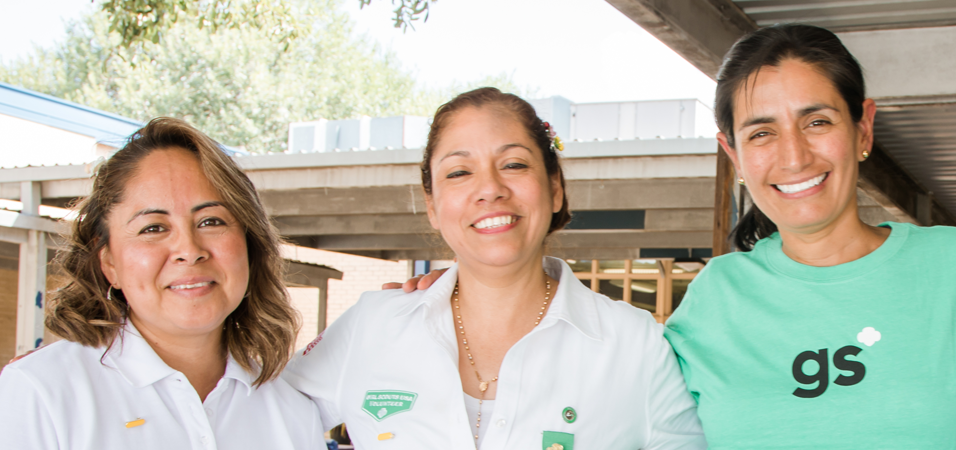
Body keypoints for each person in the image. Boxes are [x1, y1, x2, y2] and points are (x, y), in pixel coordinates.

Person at [659, 23, 956, 448]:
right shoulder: (713, 300)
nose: (794, 156)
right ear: (735, 156)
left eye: (817, 121)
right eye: (762, 133)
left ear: (863, 129)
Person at [282, 87, 705, 449]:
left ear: (555, 188)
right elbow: (249, 414)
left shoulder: (635, 346)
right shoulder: (372, 326)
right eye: (460, 171)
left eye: (514, 164)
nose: (490, 189)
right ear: (431, 206)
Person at [0, 118, 323, 448]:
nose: (188, 250)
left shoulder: (288, 409)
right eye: (153, 228)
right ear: (109, 262)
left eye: (211, 221)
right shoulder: (41, 394)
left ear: (249, 245)